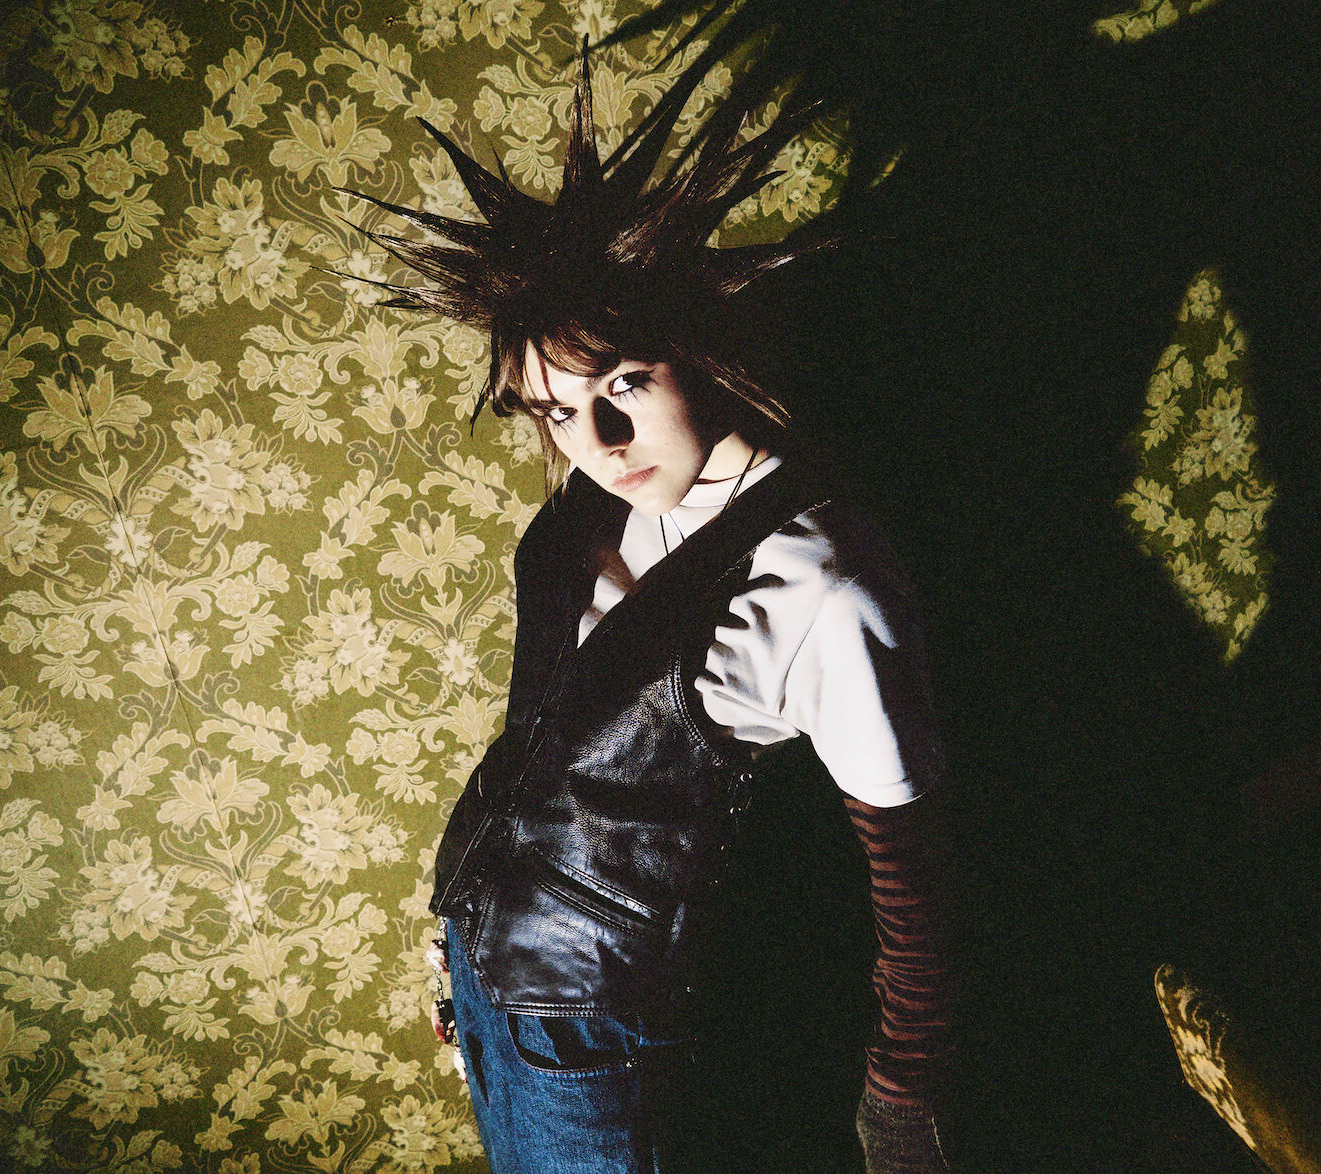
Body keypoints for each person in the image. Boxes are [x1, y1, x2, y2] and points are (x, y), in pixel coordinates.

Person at [347, 46, 957, 1174]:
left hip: (607, 1040)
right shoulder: (598, 504)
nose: (598, 441)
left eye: (624, 383)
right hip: (490, 984)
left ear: (698, 351)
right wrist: (470, 949)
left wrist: (904, 1102)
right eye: (555, 409)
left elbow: (914, 872)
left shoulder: (820, 579)